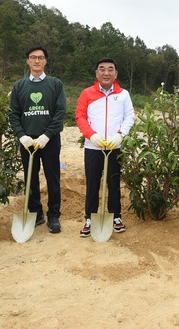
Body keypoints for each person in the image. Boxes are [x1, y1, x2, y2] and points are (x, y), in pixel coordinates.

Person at [9, 45, 67, 234]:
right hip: (27, 141)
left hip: (49, 140)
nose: (37, 61)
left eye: (40, 57)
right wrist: (21, 135)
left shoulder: (55, 84)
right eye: (33, 57)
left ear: (45, 61)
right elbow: (14, 114)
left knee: (53, 177)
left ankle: (53, 215)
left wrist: (47, 135)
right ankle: (35, 212)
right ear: (27, 61)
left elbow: (60, 113)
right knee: (30, 177)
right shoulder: (19, 86)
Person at [75, 57, 135, 237]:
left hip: (115, 147)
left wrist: (120, 135)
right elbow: (80, 116)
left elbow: (129, 116)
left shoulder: (123, 94)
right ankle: (90, 218)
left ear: (116, 74)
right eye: (102, 69)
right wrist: (91, 135)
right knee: (92, 183)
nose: (106, 72)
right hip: (93, 147)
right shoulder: (87, 93)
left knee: (114, 183)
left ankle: (115, 216)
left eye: (110, 69)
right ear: (96, 73)